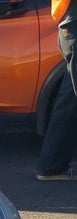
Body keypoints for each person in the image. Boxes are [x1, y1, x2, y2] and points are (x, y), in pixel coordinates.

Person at [37, 0, 77, 180]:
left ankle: (52, 165)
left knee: (69, 101)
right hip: (74, 24)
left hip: (70, 25)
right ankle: (52, 166)